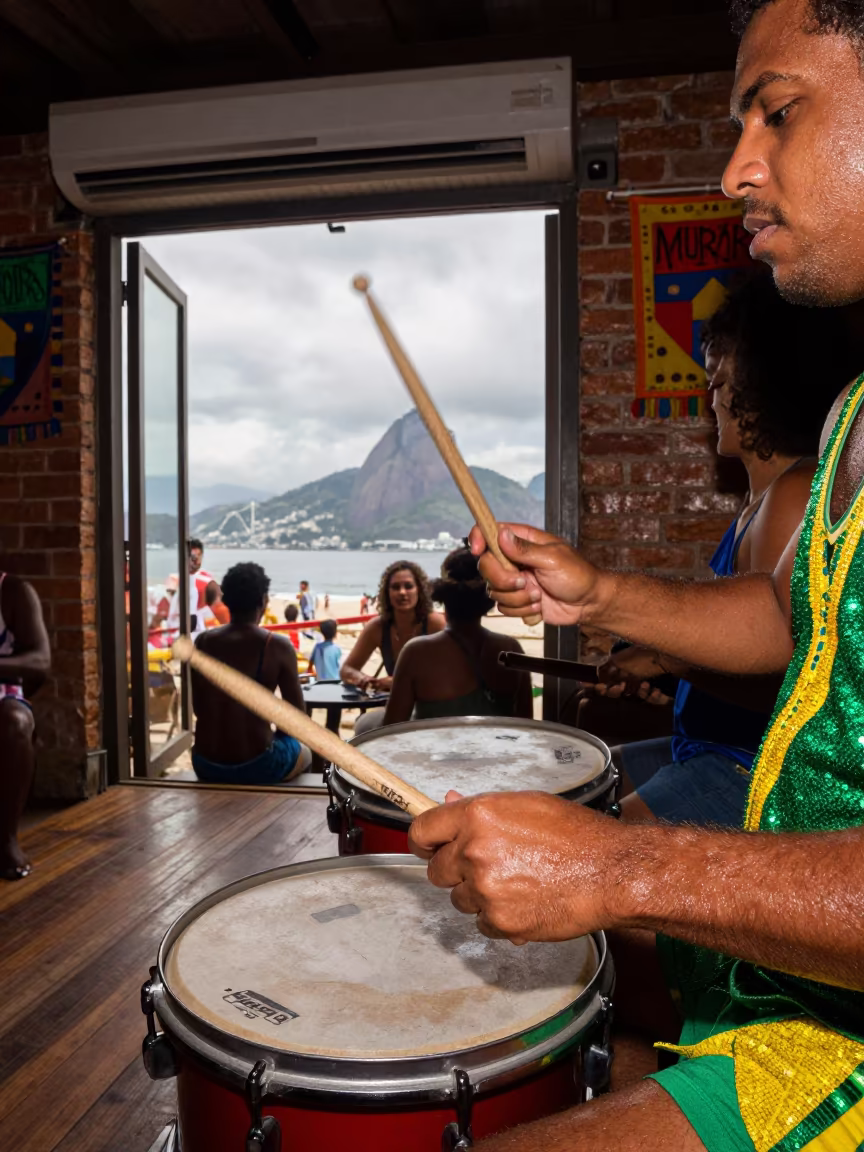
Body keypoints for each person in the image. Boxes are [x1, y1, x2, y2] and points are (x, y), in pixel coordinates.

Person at [409, 4, 864, 1148]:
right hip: (803, 1010)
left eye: (780, 111)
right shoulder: (858, 410)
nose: (735, 169)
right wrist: (597, 594)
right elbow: (790, 616)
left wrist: (624, 865)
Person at [607, 270, 856, 828]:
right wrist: (670, 675)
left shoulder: (792, 495)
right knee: (585, 775)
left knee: (585, 843)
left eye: (720, 385)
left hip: (750, 770)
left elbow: (790, 685)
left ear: (771, 386)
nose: (710, 400)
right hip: (705, 749)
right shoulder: (756, 504)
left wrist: (670, 658)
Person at [190, 563, 310, 785]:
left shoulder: (202, 642)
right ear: (263, 600)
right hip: (258, 765)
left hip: (205, 764)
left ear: (225, 600)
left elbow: (199, 707)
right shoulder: (277, 646)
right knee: (306, 751)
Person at [383, 548, 533, 724]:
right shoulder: (511, 649)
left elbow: (391, 727)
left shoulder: (416, 652)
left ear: (444, 597)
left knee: (367, 722)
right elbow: (526, 725)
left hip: (434, 750)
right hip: (498, 750)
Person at [341, 561, 445, 732]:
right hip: (397, 708)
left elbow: (449, 674)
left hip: (434, 708)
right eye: (395, 587)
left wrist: (396, 682)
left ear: (420, 590)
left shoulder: (434, 624)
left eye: (408, 586)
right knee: (363, 726)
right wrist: (362, 679)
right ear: (387, 593)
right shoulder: (377, 627)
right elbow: (347, 669)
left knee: (368, 726)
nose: (402, 592)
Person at [0, 570, 50, 880]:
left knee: (15, 723)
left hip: (3, 690)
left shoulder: (13, 591)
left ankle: (5, 840)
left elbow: (41, 661)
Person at [188, 539, 228, 636]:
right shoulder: (205, 581)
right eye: (193, 556)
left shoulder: (206, 580)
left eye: (199, 556)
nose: (196, 560)